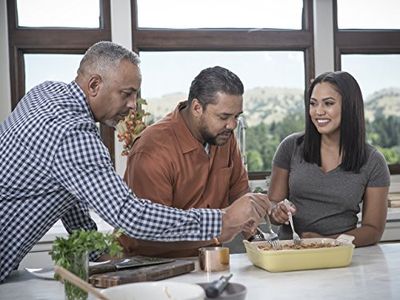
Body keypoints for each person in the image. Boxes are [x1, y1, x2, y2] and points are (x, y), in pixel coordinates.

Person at [0, 41, 271, 282]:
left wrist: (96, 253)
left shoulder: (45, 93)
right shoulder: (73, 132)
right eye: (126, 94)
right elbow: (131, 215)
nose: (132, 105)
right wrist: (222, 220)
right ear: (94, 85)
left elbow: (67, 191)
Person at [118, 66, 250, 257]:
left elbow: (239, 193)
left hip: (207, 262)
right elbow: (149, 234)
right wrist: (218, 231)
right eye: (224, 117)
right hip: (153, 268)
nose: (232, 125)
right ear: (197, 108)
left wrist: (256, 211)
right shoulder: (152, 150)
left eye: (237, 116)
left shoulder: (223, 136)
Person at [268, 71, 390, 247]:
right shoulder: (291, 146)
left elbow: (373, 230)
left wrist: (328, 242)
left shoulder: (373, 161)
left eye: (328, 103)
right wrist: (276, 212)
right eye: (313, 103)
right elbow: (273, 205)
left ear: (349, 107)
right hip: (289, 253)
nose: (318, 112)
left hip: (341, 257)